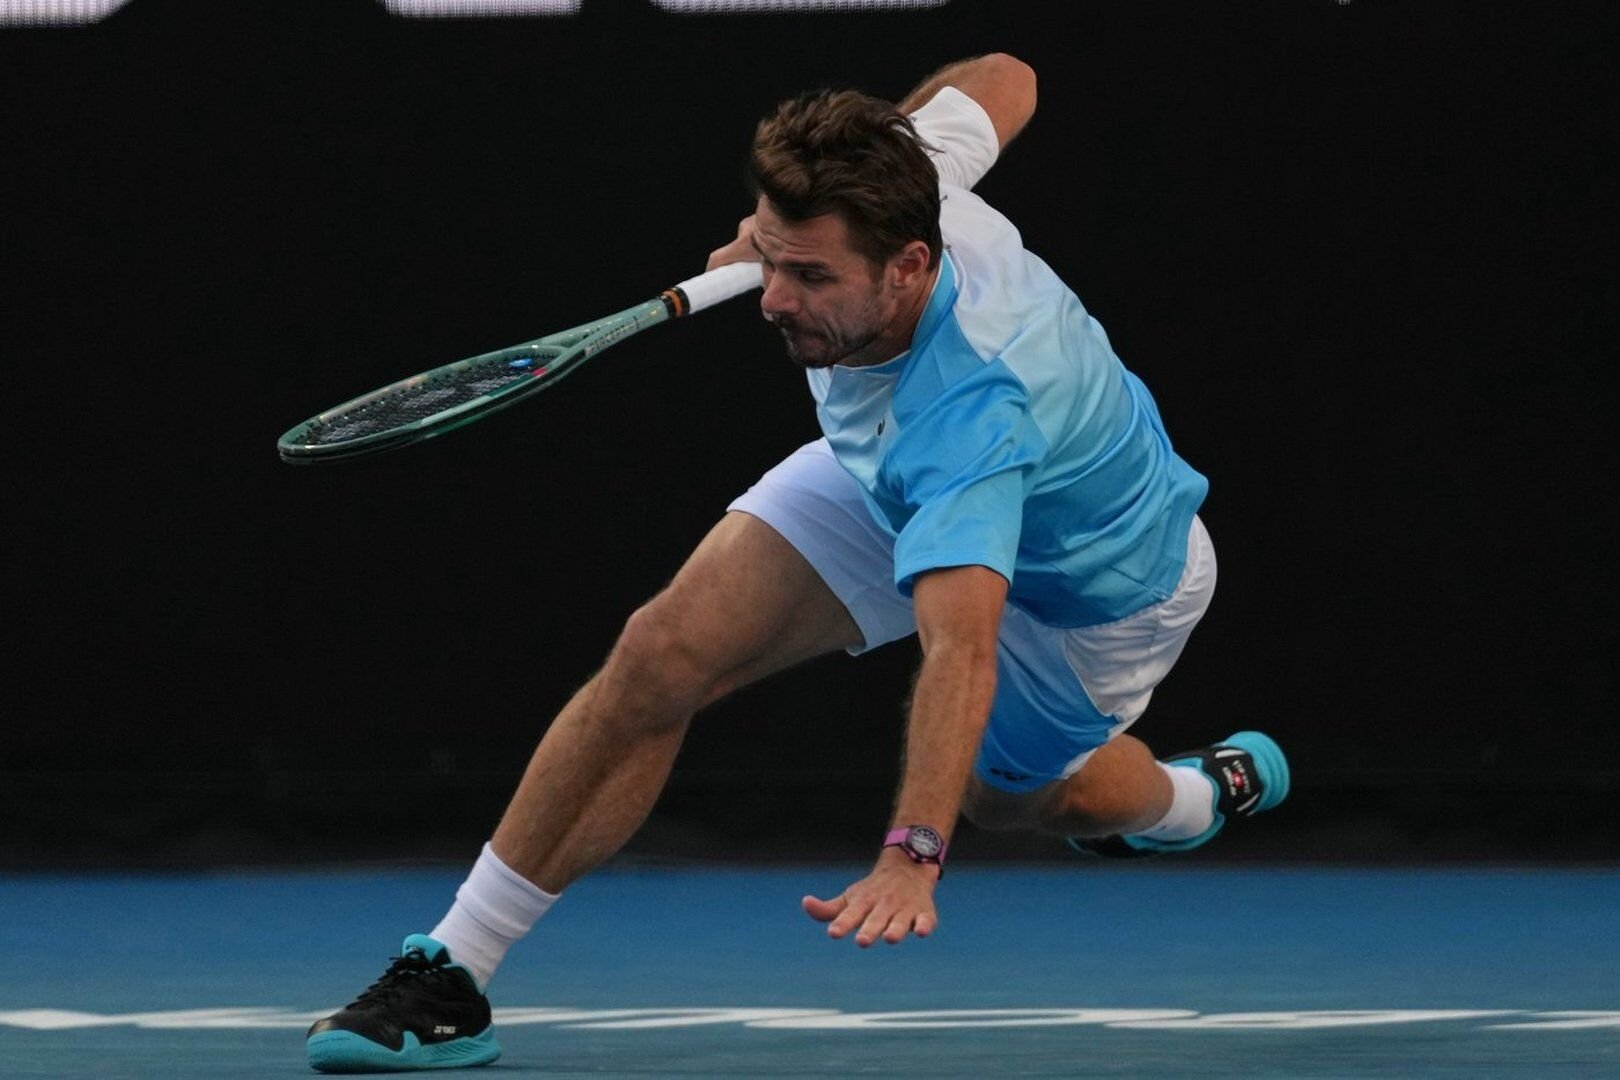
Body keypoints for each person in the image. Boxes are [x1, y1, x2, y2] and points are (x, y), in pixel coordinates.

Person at [304, 53, 1289, 1074]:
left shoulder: (975, 411)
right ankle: (452, 974)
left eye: (812, 277)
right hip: (889, 474)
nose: (774, 300)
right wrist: (837, 189)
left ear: (907, 265)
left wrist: (912, 855)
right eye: (773, 259)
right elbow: (1010, 75)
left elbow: (961, 652)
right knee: (662, 652)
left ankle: (1190, 800)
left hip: (1099, 588)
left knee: (1015, 802)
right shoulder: (908, 180)